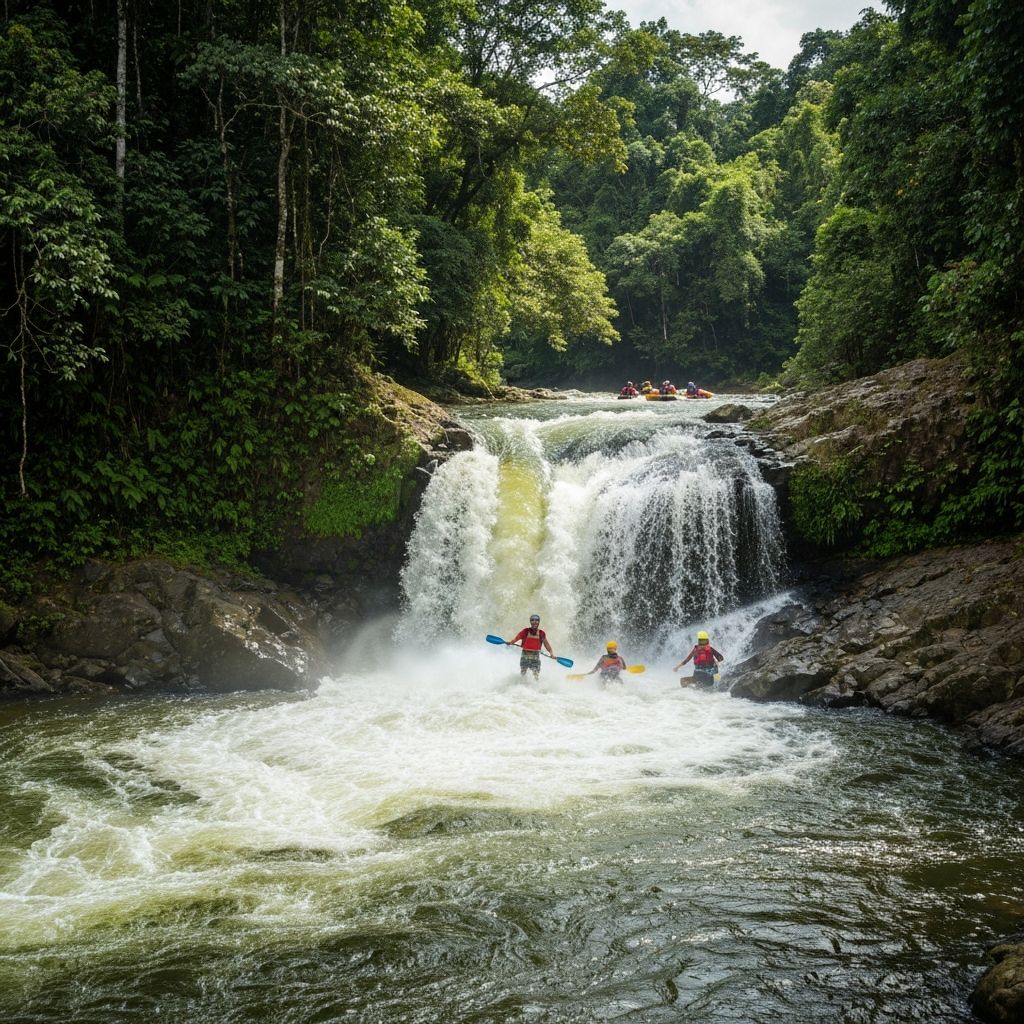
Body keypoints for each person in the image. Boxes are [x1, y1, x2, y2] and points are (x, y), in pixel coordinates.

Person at [508, 614, 555, 678]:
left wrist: (551, 653)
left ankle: (536, 684)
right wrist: (510, 642)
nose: (535, 622)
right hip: (525, 656)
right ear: (530, 622)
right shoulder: (525, 631)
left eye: (537, 620)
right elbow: (516, 639)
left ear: (539, 622)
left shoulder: (541, 633)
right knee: (523, 674)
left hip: (535, 657)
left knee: (536, 676)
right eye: (532, 620)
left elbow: (546, 644)